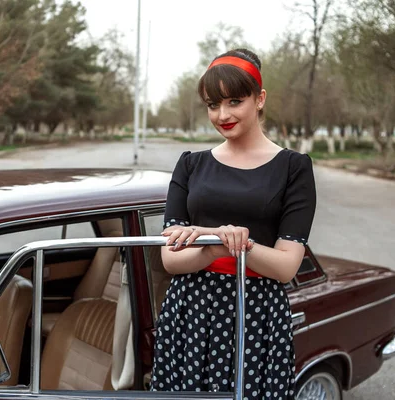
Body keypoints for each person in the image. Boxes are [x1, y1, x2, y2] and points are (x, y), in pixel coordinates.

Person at [150, 48, 317, 399]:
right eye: (213, 104)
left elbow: (287, 267)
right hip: (190, 310)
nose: (222, 115)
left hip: (255, 310)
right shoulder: (191, 164)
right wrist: (214, 244)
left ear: (260, 99)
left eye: (234, 101)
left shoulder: (294, 168)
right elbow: (170, 259)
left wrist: (244, 245)